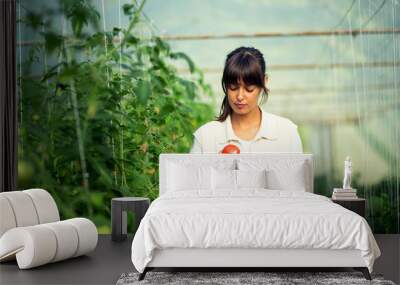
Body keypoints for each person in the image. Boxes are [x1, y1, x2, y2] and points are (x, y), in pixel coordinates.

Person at [190, 46, 303, 154]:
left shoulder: (287, 133)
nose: (240, 96)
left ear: (264, 82)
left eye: (249, 89)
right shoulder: (206, 137)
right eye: (233, 87)